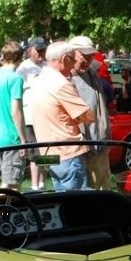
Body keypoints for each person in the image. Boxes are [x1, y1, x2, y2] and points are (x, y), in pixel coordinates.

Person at [25, 41, 95, 191]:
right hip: (68, 153)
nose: (75, 63)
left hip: (49, 154)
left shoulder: (38, 80)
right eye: (73, 59)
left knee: (61, 201)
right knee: (76, 205)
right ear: (64, 59)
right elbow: (89, 117)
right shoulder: (60, 83)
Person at [69, 35, 112, 190]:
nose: (86, 60)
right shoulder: (64, 78)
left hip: (99, 143)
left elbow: (101, 109)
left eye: (90, 56)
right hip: (77, 148)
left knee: (103, 189)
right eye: (83, 56)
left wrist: (106, 135)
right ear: (71, 54)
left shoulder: (92, 74)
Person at [0, 41, 27, 190]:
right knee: (11, 185)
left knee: (8, 179)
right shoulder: (15, 79)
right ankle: (1, 213)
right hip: (12, 138)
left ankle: (4, 212)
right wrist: (23, 139)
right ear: (20, 58)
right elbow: (16, 111)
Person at [16, 36, 47, 190]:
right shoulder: (23, 69)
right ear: (30, 51)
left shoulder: (48, 66)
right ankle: (35, 186)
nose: (42, 53)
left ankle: (43, 182)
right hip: (31, 117)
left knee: (47, 152)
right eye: (39, 50)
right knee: (35, 152)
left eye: (43, 49)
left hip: (47, 117)